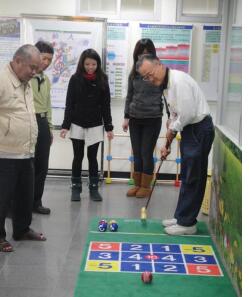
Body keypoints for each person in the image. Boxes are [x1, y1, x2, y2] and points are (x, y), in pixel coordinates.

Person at [136, 54, 215, 235]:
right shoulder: (166, 86)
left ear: (159, 65)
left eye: (150, 73)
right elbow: (174, 115)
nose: (149, 79)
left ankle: (188, 224)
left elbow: (186, 114)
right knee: (188, 175)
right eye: (145, 77)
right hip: (190, 129)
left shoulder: (178, 82)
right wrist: (168, 141)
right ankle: (181, 217)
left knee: (193, 177)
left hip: (198, 128)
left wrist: (172, 130)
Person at [0, 44, 47, 253]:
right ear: (18, 61)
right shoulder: (2, 79)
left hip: (26, 150)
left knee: (25, 195)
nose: (35, 72)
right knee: (2, 197)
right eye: (32, 67)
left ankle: (21, 229)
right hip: (5, 152)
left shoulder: (26, 81)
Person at [60, 49, 114, 202]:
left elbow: (106, 105)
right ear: (82, 64)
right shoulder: (75, 79)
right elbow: (69, 104)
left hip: (95, 125)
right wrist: (65, 125)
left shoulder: (103, 79)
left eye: (94, 64)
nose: (90, 67)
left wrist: (109, 127)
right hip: (77, 123)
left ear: (98, 64)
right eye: (87, 64)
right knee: (78, 156)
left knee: (92, 157)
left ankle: (94, 188)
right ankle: (76, 188)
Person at [122, 39, 163, 198]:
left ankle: (146, 186)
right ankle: (137, 184)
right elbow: (130, 95)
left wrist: (170, 116)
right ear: (136, 55)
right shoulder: (133, 72)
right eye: (141, 53)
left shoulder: (159, 71)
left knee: (146, 152)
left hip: (152, 118)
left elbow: (167, 94)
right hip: (135, 118)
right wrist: (126, 117)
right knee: (137, 152)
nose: (144, 56)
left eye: (147, 53)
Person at [31, 41, 54, 215]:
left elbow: (48, 104)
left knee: (42, 167)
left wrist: (50, 127)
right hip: (28, 123)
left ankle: (36, 202)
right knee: (26, 166)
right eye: (44, 58)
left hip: (43, 123)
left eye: (49, 60)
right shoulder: (26, 77)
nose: (46, 63)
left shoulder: (45, 80)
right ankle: (18, 204)